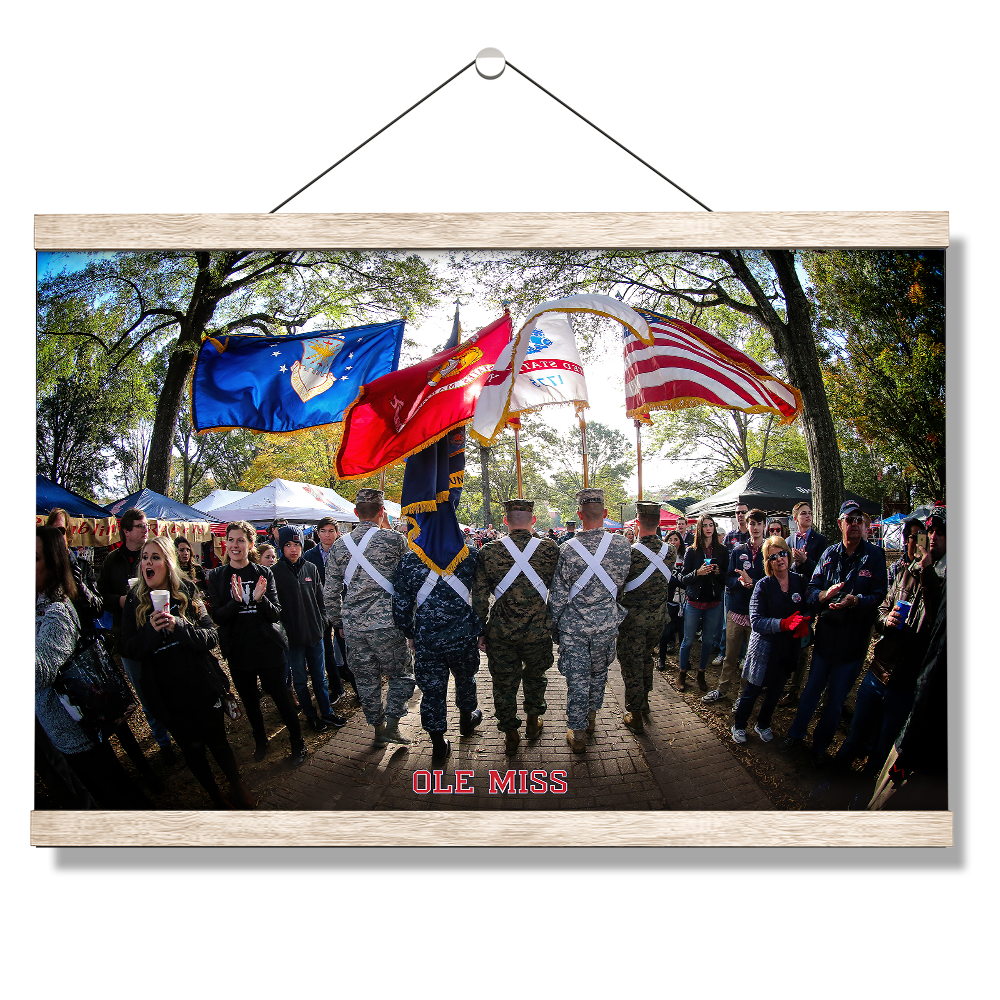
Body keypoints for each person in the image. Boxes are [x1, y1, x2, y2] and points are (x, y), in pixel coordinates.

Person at [121, 535, 256, 809]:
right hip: (166, 695)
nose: (148, 562)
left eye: (155, 557)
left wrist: (179, 627)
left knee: (218, 743)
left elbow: (210, 636)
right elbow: (127, 648)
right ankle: (214, 795)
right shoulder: (135, 602)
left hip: (201, 685)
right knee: (193, 750)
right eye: (145, 557)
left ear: (168, 563)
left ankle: (236, 784)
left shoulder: (187, 592)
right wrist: (151, 630)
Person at [35, 526, 151, 809]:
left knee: (118, 797)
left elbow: (39, 672)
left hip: (78, 728)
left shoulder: (56, 612)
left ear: (52, 565)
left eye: (32, 557)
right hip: (60, 730)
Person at [834, 512, 945, 777]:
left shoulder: (939, 582)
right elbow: (882, 607)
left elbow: (933, 628)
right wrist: (886, 619)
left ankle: (864, 796)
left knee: (882, 748)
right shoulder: (905, 573)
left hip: (905, 685)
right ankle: (832, 781)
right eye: (920, 535)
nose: (929, 539)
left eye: (938, 533)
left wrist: (927, 571)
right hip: (877, 673)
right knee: (855, 735)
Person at [779, 500, 888, 765]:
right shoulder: (829, 554)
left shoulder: (874, 555)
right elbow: (811, 590)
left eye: (858, 520)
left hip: (854, 641)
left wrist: (857, 601)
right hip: (826, 637)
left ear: (863, 525)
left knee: (835, 699)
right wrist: (825, 594)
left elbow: (880, 595)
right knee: (811, 690)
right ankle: (796, 734)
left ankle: (820, 746)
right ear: (840, 523)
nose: (854, 524)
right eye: (849, 520)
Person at [207, 521, 307, 766]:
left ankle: (298, 744)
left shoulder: (263, 573)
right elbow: (218, 617)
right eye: (231, 540)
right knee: (250, 700)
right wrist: (236, 602)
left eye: (241, 540)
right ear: (225, 543)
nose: (235, 545)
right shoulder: (218, 576)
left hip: (268, 648)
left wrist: (259, 600)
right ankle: (261, 740)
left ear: (250, 544)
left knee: (281, 697)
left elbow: (275, 614)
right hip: (238, 651)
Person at [326, 490, 414, 747]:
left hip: (353, 626)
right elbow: (408, 579)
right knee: (402, 675)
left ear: (355, 513)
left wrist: (338, 622)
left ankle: (378, 730)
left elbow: (330, 592)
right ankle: (393, 726)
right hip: (388, 624)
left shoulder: (340, 545)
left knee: (366, 680)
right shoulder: (395, 540)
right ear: (381, 512)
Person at [548, 488, 632, 752]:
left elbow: (559, 596)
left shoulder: (567, 549)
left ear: (578, 514)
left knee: (577, 679)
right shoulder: (622, 545)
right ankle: (592, 717)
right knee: (598, 674)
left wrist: (554, 626)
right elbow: (622, 584)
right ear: (605, 514)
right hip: (606, 623)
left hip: (574, 627)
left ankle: (578, 732)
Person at [472, 499, 559, 751]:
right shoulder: (549, 549)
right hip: (538, 630)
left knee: (503, 684)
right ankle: (533, 721)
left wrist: (480, 629)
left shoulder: (488, 551)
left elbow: (479, 596)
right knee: (535, 677)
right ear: (533, 520)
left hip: (501, 631)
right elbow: (559, 589)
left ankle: (510, 733)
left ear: (505, 520)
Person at [393, 520, 483, 762]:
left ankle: (438, 745)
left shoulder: (410, 560)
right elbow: (483, 593)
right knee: (465, 679)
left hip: (427, 639)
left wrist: (409, 634)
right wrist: (481, 627)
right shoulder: (470, 556)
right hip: (463, 636)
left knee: (432, 692)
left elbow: (400, 604)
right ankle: (466, 720)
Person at [96, 508, 175, 758]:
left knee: (170, 685)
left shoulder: (154, 554)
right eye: (140, 526)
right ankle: (164, 744)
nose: (145, 530)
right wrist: (121, 601)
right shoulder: (113, 560)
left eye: (146, 526)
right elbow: (100, 596)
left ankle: (183, 732)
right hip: (130, 636)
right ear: (127, 531)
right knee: (146, 694)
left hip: (162, 630)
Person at [731, 535, 811, 744]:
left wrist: (805, 621)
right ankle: (739, 724)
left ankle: (763, 723)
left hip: (788, 648)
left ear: (789, 555)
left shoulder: (799, 582)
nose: (779, 559)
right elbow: (757, 622)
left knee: (775, 691)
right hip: (765, 649)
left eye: (782, 553)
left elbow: (808, 606)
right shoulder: (763, 586)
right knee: (753, 690)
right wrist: (782, 624)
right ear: (767, 562)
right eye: (773, 557)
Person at [271, 525, 346, 733]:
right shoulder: (274, 573)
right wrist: (284, 634)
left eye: (297, 544)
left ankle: (328, 713)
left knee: (320, 678)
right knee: (301, 682)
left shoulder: (311, 568)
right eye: (288, 545)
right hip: (293, 640)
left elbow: (321, 600)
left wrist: (322, 623)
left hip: (316, 635)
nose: (293, 549)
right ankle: (311, 716)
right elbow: (274, 610)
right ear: (281, 546)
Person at [617, 501, 674, 733]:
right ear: (659, 522)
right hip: (659, 620)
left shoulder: (629, 554)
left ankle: (635, 712)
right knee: (646, 658)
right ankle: (645, 700)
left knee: (631, 664)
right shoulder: (671, 551)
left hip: (633, 622)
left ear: (637, 523)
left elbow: (619, 587)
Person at [703, 508, 767, 706]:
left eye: (758, 524)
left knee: (750, 659)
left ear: (764, 526)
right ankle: (722, 689)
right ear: (746, 526)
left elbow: (774, 582)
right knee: (729, 656)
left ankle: (742, 696)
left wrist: (753, 583)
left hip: (758, 614)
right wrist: (740, 582)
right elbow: (728, 578)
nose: (755, 528)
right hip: (737, 611)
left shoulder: (770, 550)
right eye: (752, 524)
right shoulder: (739, 550)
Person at [777, 501, 830, 707]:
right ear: (795, 518)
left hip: (809, 597)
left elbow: (824, 571)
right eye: (803, 514)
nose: (808, 516)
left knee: (803, 643)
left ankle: (794, 690)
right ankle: (782, 681)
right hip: (789, 596)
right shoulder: (787, 540)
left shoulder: (820, 540)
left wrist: (806, 561)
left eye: (810, 513)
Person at [676, 513, 728, 692]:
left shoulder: (721, 551)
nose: (708, 528)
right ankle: (682, 674)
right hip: (694, 602)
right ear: (700, 528)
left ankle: (701, 674)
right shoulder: (692, 550)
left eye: (711, 525)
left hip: (713, 602)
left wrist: (718, 572)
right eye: (705, 525)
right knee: (688, 640)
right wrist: (697, 573)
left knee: (707, 641)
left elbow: (726, 578)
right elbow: (683, 578)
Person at [304, 516, 352, 698]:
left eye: (331, 530)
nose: (327, 535)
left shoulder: (346, 553)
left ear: (337, 533)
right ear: (317, 534)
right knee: (326, 651)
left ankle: (356, 687)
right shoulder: (309, 556)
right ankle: (336, 688)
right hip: (320, 610)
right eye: (323, 531)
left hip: (342, 607)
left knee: (346, 648)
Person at [657, 529, 687, 667]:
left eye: (676, 539)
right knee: (666, 631)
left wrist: (679, 580)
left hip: (683, 600)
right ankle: (661, 658)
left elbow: (688, 578)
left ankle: (684, 660)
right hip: (668, 599)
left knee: (682, 632)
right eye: (670, 540)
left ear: (680, 541)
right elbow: (664, 579)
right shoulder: (663, 557)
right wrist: (678, 580)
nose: (673, 542)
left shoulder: (685, 557)